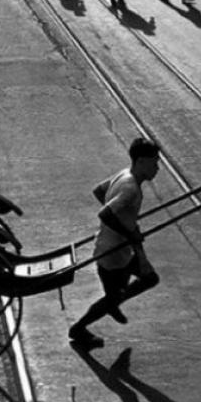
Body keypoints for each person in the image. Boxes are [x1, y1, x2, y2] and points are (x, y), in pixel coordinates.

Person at [68, 137, 162, 350]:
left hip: (119, 251)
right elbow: (105, 213)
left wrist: (126, 220)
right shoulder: (130, 188)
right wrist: (129, 233)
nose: (157, 168)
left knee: (149, 278)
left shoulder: (124, 175)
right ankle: (79, 329)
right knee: (115, 297)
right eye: (154, 162)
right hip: (112, 255)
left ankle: (114, 302)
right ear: (141, 161)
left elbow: (99, 191)